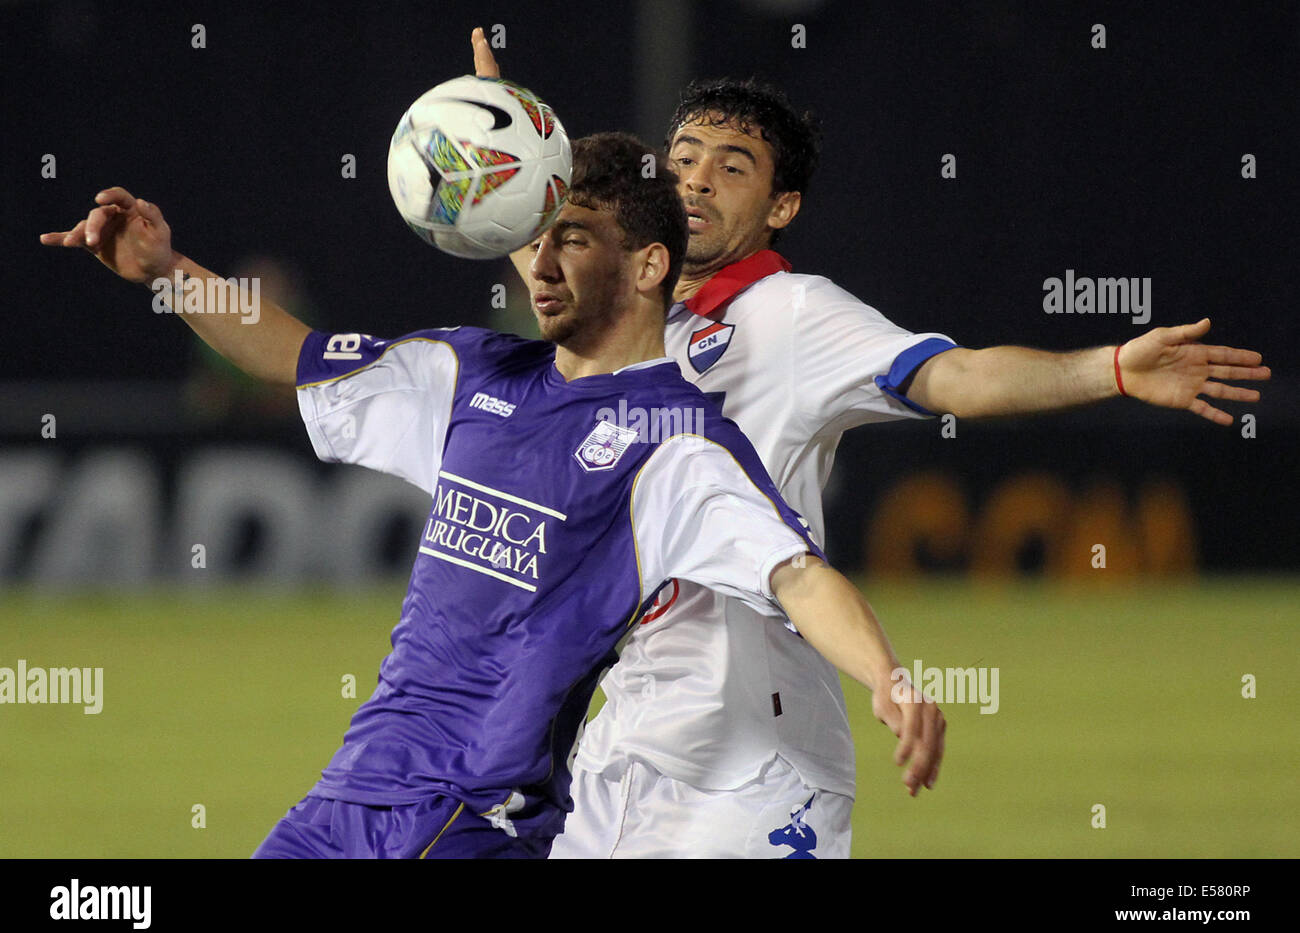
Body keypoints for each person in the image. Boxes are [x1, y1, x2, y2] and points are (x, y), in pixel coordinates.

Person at [473, 33, 1271, 859]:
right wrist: (507, 148)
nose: (699, 178)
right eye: (684, 158)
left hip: (758, 765)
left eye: (735, 165)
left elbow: (954, 378)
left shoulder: (793, 314)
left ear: (781, 208)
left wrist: (1106, 368)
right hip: (624, 750)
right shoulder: (635, 317)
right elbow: (547, 262)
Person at [39, 131, 944, 858]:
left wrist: (889, 678)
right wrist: (167, 269)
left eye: (573, 238)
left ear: (647, 268)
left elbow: (796, 574)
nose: (541, 263)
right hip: (349, 794)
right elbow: (290, 353)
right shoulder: (468, 372)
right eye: (533, 237)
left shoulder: (675, 442)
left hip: (475, 814)